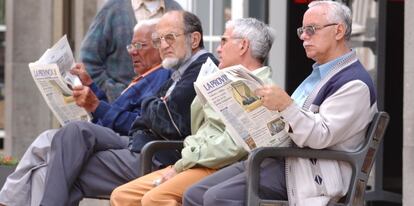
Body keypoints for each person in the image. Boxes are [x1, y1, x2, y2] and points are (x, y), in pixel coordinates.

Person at [183, 1, 378, 206]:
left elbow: (320, 135)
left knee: (217, 198)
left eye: (311, 29)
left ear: (339, 31)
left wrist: (285, 105)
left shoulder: (354, 83)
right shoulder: (322, 73)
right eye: (302, 30)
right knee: (194, 193)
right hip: (284, 159)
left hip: (311, 173)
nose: (303, 36)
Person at [37, 10, 217, 205]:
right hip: (141, 142)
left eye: (170, 38)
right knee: (70, 144)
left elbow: (166, 120)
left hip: (158, 153)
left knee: (67, 165)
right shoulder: (178, 71)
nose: (163, 46)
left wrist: (147, 104)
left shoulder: (201, 68)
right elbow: (148, 114)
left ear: (194, 39)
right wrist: (149, 107)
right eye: (159, 40)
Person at [0, 19, 171, 206]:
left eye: (140, 45)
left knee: (54, 138)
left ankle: (7, 201)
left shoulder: (162, 77)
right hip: (114, 137)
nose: (133, 51)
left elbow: (138, 123)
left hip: (130, 142)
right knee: (46, 169)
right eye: (131, 45)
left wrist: (97, 105)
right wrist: (90, 85)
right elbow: (116, 113)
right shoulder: (142, 78)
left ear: (159, 46)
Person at [109, 17, 276, 206]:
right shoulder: (226, 81)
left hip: (217, 166)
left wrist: (182, 164)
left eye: (224, 41)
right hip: (196, 160)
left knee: (155, 199)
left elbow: (233, 146)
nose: (218, 49)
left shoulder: (258, 89)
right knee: (122, 196)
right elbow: (202, 129)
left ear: (243, 45)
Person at [80, 0, 182, 101]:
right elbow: (88, 61)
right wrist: (114, 92)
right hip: (119, 107)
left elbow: (185, 59)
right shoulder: (112, 9)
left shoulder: (176, 10)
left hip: (164, 107)